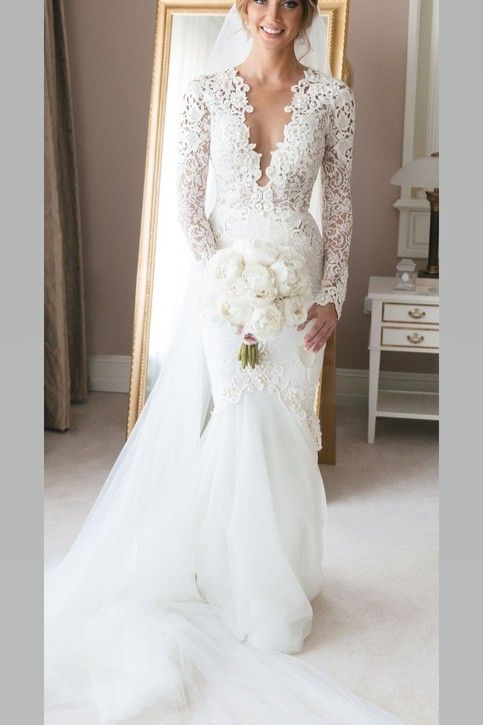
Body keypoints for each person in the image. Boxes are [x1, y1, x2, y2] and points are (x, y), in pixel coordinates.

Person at [45, 1, 402, 722]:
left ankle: (283, 574)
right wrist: (223, 283)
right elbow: (185, 203)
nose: (274, 13)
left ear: (303, 13)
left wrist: (332, 297)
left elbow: (337, 210)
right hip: (224, 291)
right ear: (243, 9)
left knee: (284, 425)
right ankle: (237, 578)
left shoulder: (332, 97)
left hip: (297, 287)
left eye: (288, 1)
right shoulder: (205, 93)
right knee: (239, 420)